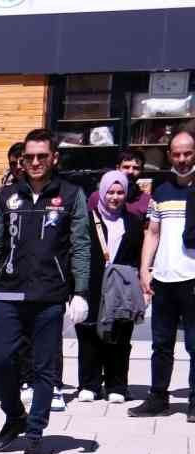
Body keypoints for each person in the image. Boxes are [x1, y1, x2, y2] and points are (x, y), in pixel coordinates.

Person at [0, 128, 91, 454]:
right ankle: (14, 417)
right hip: (9, 291)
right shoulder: (7, 195)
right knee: (0, 361)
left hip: (49, 294)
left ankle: (36, 431)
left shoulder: (70, 195)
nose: (35, 162)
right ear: (22, 160)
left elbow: (81, 246)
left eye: (42, 156)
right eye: (30, 157)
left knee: (43, 368)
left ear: (54, 157)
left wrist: (80, 291)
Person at [131, 129, 195, 420]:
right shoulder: (162, 189)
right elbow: (152, 233)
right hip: (165, 278)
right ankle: (158, 397)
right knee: (161, 343)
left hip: (192, 278)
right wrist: (145, 269)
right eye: (177, 154)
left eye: (188, 153)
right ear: (169, 155)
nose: (181, 159)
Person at [75, 170, 143, 405]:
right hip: (92, 284)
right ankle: (89, 383)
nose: (115, 197)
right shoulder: (86, 218)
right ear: (102, 192)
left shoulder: (133, 222)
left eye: (120, 192)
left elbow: (138, 255)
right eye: (111, 192)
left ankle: (117, 384)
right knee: (89, 333)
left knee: (120, 334)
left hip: (121, 287)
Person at [88, 148, 151, 221]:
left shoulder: (146, 200)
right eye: (126, 167)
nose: (130, 171)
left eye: (136, 168)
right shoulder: (97, 197)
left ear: (142, 170)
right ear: (117, 168)